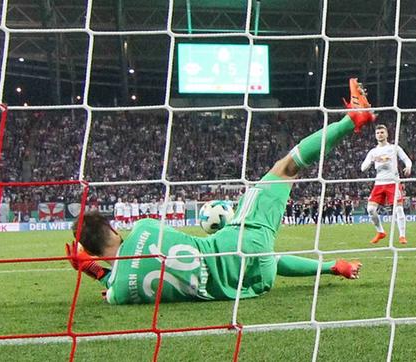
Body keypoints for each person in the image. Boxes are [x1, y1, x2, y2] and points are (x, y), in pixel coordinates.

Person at [65, 78, 375, 305]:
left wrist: (93, 270)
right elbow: (140, 256)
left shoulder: (119, 296)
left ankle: (333, 267)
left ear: (92, 253)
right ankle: (351, 120)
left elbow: (123, 278)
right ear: (113, 227)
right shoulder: (145, 228)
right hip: (239, 242)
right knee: (285, 169)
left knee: (264, 256)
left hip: (255, 284)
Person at [361, 124, 412, 244]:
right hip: (379, 184)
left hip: (393, 183)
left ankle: (402, 236)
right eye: (378, 133)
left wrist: (408, 166)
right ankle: (380, 232)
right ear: (375, 135)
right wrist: (371, 161)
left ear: (387, 134)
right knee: (370, 210)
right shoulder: (373, 152)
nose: (380, 134)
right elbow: (363, 168)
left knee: (398, 209)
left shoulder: (394, 148)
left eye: (382, 132)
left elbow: (406, 159)